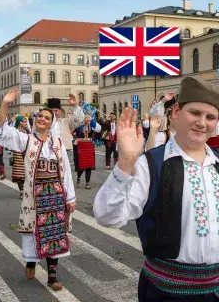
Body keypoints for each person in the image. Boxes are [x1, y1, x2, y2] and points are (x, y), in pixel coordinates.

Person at [94, 76, 219, 301]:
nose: (202, 122)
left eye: (210, 117)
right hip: (166, 293)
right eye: (195, 113)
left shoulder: (217, 165)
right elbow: (107, 217)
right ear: (176, 114)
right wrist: (125, 163)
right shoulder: (150, 164)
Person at [0, 89, 76, 291]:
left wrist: (70, 198)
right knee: (34, 232)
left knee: (55, 234)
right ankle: (31, 260)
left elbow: (65, 172)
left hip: (56, 196)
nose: (42, 119)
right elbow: (3, 132)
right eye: (40, 116)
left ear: (52, 123)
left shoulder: (57, 144)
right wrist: (5, 104)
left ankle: (52, 275)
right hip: (35, 197)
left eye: (47, 118)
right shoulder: (26, 140)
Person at [73, 114, 101, 189]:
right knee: (81, 166)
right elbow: (74, 133)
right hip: (81, 148)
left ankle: (87, 183)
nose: (87, 119)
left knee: (88, 165)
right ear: (83, 119)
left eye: (89, 118)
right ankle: (78, 178)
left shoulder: (93, 127)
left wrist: (93, 123)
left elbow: (99, 130)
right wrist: (76, 138)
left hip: (89, 148)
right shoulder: (79, 126)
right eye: (86, 117)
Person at [11, 115, 30, 198]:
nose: (25, 123)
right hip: (18, 152)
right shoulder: (15, 131)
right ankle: (22, 191)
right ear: (20, 122)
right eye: (24, 121)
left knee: (26, 172)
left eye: (26, 121)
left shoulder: (26, 130)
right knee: (19, 173)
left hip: (26, 152)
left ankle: (25, 189)